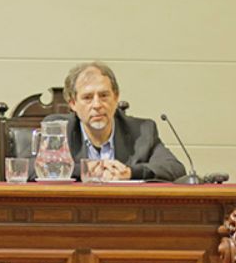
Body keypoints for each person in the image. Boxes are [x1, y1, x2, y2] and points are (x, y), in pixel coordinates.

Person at [43, 61, 186, 182]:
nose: (97, 105)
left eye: (104, 95)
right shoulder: (59, 129)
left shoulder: (142, 131)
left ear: (116, 97)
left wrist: (130, 172)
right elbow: (30, 167)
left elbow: (175, 168)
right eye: (87, 98)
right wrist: (83, 170)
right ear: (73, 103)